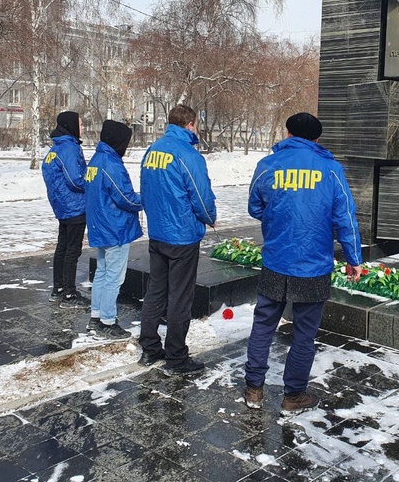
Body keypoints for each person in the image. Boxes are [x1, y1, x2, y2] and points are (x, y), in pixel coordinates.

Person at [244, 112, 362, 413]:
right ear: (317, 139)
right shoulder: (330, 169)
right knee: (304, 332)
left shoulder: (268, 165)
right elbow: (345, 218)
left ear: (288, 134)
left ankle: (254, 390)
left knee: (263, 326)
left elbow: (255, 206)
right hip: (313, 264)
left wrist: (276, 219)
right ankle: (293, 395)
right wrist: (353, 259)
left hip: (276, 260)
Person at [138, 105, 217, 372]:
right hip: (181, 235)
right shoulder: (188, 155)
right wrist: (210, 217)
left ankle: (149, 348)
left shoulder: (153, 150)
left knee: (156, 291)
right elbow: (201, 196)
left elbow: (145, 190)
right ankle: (176, 356)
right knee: (180, 297)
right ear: (191, 124)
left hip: (158, 232)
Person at [85, 120, 143, 339]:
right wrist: (145, 200)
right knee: (114, 277)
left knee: (102, 272)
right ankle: (108, 321)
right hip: (115, 227)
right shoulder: (111, 164)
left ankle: (96, 316)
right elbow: (125, 197)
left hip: (100, 226)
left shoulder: (97, 159)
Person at [42, 111, 89, 309]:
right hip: (74, 206)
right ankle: (69, 293)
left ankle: (58, 289)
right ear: (71, 125)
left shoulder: (56, 148)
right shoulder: (69, 148)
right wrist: (91, 183)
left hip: (62, 206)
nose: (83, 127)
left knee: (62, 247)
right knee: (72, 250)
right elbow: (75, 179)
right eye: (80, 123)